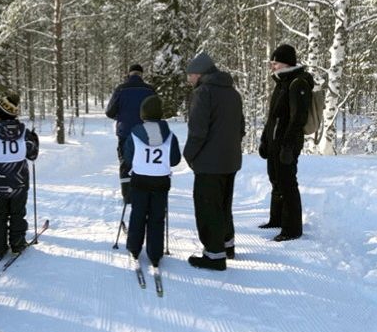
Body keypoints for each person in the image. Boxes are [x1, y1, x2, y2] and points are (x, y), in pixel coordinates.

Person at [183, 52, 245, 271]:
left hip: (209, 164)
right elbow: (241, 129)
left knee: (208, 208)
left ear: (199, 73)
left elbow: (198, 131)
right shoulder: (233, 94)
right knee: (223, 205)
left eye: (190, 75)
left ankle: (214, 256)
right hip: (230, 161)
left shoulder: (203, 93)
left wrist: (189, 154)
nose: (189, 80)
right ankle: (227, 245)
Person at [258, 44, 313, 241]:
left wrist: (288, 145)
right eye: (271, 63)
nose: (272, 67)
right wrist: (265, 140)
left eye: (276, 63)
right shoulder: (281, 83)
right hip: (275, 142)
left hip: (287, 143)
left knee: (287, 182)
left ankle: (292, 229)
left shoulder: (297, 84)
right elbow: (273, 117)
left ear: (287, 63)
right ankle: (277, 219)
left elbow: (298, 118)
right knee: (276, 180)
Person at [0, 93, 39, 259]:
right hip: (19, 183)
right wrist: (35, 140)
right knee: (18, 213)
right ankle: (17, 244)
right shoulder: (23, 132)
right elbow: (32, 155)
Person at [123, 95, 181, 267]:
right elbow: (175, 159)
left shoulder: (135, 133)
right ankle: (155, 254)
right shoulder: (170, 135)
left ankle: (134, 247)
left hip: (140, 180)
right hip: (161, 183)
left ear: (143, 114)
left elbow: (127, 157)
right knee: (157, 217)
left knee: (138, 214)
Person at [105, 64, 156, 204]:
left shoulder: (120, 89)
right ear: (141, 74)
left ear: (129, 74)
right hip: (146, 133)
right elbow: (157, 111)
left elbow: (110, 112)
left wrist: (120, 115)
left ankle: (127, 195)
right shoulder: (150, 90)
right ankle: (144, 193)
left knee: (126, 163)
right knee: (145, 162)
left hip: (125, 132)